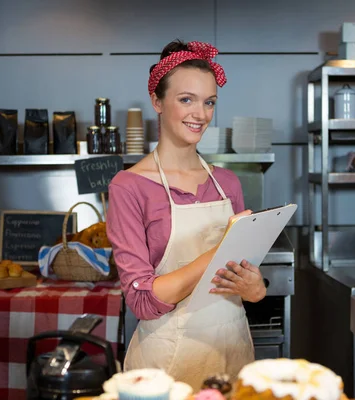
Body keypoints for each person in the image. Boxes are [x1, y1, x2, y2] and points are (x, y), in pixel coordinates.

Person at [106, 39, 267, 390]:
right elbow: (143, 301)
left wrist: (255, 289)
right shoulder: (129, 186)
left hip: (232, 355)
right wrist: (216, 254)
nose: (201, 114)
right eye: (186, 100)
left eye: (209, 102)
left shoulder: (227, 183)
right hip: (167, 366)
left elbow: (245, 277)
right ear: (157, 101)